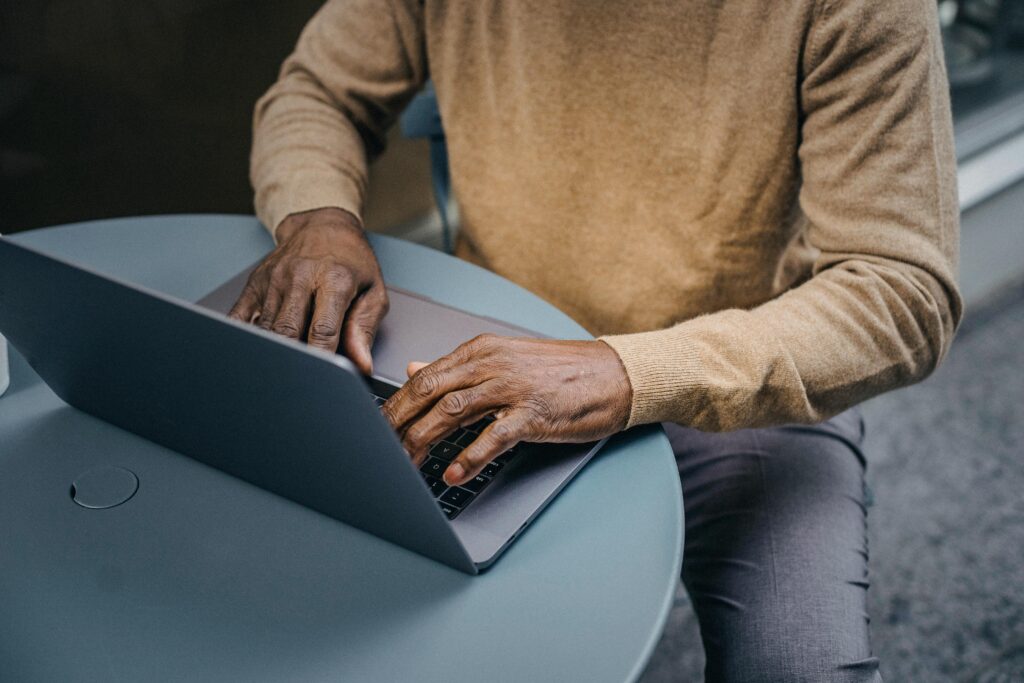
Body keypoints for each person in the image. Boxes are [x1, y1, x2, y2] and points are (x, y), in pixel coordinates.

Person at [230, 2, 961, 680]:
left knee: (800, 668)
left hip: (741, 378)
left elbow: (903, 288)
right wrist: (318, 216)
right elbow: (316, 91)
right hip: (488, 356)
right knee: (339, 610)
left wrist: (628, 372)